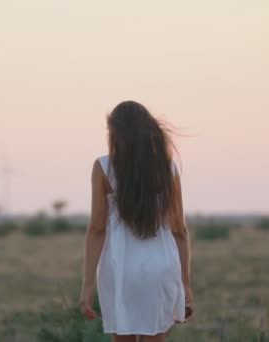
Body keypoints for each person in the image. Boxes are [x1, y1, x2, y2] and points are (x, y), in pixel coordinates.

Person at [79, 100, 193, 342]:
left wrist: (87, 286)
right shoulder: (168, 168)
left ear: (116, 134)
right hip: (161, 268)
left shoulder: (103, 167)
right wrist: (186, 284)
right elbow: (179, 230)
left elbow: (97, 228)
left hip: (120, 269)